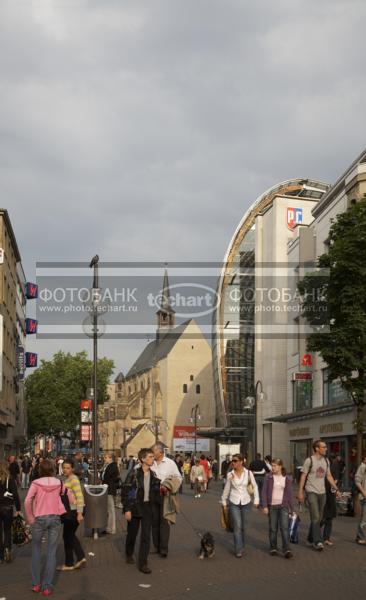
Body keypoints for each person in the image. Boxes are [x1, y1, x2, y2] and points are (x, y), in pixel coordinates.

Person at [25, 458, 67, 595]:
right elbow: (66, 493)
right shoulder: (60, 483)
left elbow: (27, 501)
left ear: (40, 470)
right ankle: (47, 586)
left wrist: (30, 516)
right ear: (53, 469)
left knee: (36, 550)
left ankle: (36, 584)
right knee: (51, 552)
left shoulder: (36, 483)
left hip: (39, 518)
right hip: (55, 517)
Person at [122, 448, 161, 574]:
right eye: (149, 456)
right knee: (132, 534)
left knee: (146, 536)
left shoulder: (154, 475)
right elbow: (126, 492)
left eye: (152, 456)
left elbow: (155, 493)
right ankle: (129, 553)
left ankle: (143, 563)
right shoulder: (133, 474)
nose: (152, 458)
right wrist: (127, 509)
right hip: (135, 507)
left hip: (147, 508)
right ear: (143, 459)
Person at [298, 440, 340, 551]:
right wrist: (300, 492)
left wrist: (336, 489)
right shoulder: (309, 461)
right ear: (317, 448)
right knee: (316, 516)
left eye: (326, 447)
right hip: (311, 491)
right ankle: (318, 541)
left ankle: (310, 539)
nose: (326, 449)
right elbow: (303, 476)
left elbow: (329, 476)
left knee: (319, 518)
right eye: (324, 447)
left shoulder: (326, 461)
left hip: (322, 493)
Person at [221, 453, 259, 558]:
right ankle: (238, 549)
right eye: (232, 461)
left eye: (235, 461)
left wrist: (256, 499)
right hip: (234, 502)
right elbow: (227, 489)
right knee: (237, 526)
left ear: (241, 462)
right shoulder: (230, 475)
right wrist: (224, 501)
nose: (233, 462)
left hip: (246, 502)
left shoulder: (248, 473)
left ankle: (242, 545)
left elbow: (255, 486)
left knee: (244, 527)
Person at [151, 442, 182, 557]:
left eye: (153, 451)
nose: (152, 453)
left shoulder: (170, 463)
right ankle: (155, 546)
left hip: (165, 495)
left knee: (164, 522)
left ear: (160, 451)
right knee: (154, 522)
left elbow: (178, 477)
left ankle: (164, 549)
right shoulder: (151, 462)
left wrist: (169, 485)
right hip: (152, 495)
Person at [261, 458, 294, 558]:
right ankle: (273, 547)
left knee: (284, 528)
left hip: (283, 506)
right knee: (273, 528)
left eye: (275, 466)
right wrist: (265, 506)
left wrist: (292, 509)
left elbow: (289, 494)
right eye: (272, 465)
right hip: (272, 506)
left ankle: (286, 549)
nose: (273, 467)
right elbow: (264, 492)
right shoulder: (268, 477)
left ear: (280, 466)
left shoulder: (287, 478)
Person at [57, 458, 86, 572]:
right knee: (69, 535)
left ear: (72, 469)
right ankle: (79, 558)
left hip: (74, 511)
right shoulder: (68, 479)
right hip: (72, 511)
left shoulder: (73, 479)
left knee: (68, 535)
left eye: (68, 468)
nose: (65, 470)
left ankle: (71, 562)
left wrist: (79, 513)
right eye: (64, 468)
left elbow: (79, 496)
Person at [0, 461, 21, 563]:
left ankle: (0, 556)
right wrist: (18, 509)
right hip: (7, 508)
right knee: (7, 530)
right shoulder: (10, 479)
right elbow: (16, 495)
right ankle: (7, 549)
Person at [101, 453, 120, 535]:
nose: (104, 459)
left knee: (111, 510)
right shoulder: (109, 465)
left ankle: (111, 529)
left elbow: (108, 477)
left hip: (109, 489)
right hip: (107, 488)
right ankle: (109, 527)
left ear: (110, 458)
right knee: (109, 510)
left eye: (106, 457)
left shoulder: (112, 466)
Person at [354, 455, 366, 545]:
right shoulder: (362, 467)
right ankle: (360, 537)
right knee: (364, 519)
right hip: (364, 496)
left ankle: (360, 536)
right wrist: (363, 492)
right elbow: (357, 481)